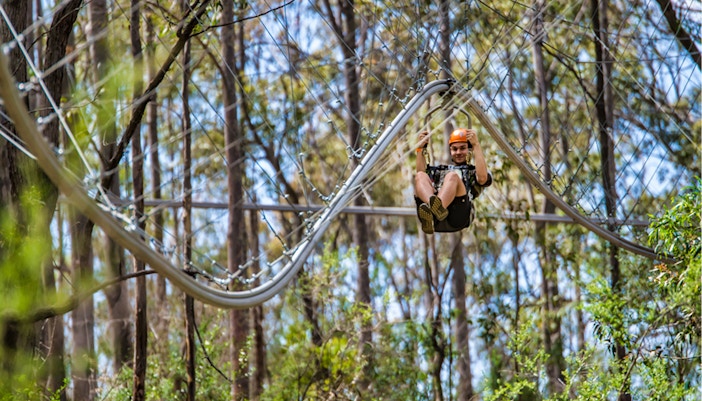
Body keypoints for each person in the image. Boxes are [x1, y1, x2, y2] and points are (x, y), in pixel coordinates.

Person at [414, 128, 492, 234]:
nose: (458, 152)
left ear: (469, 149)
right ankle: (434, 211)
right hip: (434, 222)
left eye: (462, 148)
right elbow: (421, 178)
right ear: (450, 151)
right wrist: (420, 148)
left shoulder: (472, 172)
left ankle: (435, 210)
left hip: (457, 216)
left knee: (452, 176)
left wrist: (476, 145)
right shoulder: (438, 171)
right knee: (419, 175)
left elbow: (482, 179)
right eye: (455, 149)